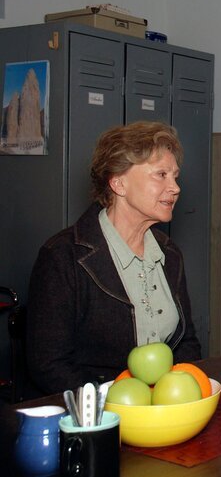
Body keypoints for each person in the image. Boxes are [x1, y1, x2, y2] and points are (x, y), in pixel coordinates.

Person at [27, 121, 201, 394]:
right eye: (161, 175)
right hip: (95, 417)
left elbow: (187, 342)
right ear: (119, 183)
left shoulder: (170, 254)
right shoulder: (63, 256)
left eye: (175, 176)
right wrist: (108, 406)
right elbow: (48, 364)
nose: (175, 187)